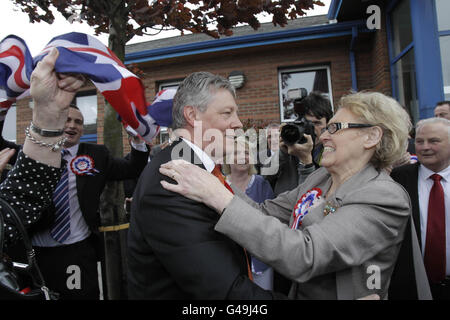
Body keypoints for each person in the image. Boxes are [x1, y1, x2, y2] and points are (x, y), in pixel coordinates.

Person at [160, 91, 412, 300]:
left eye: (335, 127)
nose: (323, 135)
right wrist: (213, 179)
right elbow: (263, 213)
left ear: (371, 136)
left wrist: (219, 196)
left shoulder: (383, 196)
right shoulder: (320, 178)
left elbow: (307, 255)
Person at [127, 71, 280, 299]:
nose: (238, 123)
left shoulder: (198, 169)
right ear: (192, 115)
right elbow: (222, 291)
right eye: (227, 113)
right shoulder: (172, 179)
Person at [1, 47, 83, 248]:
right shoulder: (13, 152)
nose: (71, 126)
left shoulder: (98, 154)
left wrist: (49, 115)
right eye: (67, 120)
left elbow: (22, 201)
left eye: (77, 122)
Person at [390, 117, 450, 300]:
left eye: (433, 141)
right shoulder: (397, 179)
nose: (424, 147)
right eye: (419, 141)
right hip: (410, 287)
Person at [222, 137, 275, 290]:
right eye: (236, 153)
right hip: (229, 258)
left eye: (246, 153)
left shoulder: (261, 183)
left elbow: (271, 219)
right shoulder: (221, 184)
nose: (242, 157)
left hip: (260, 258)